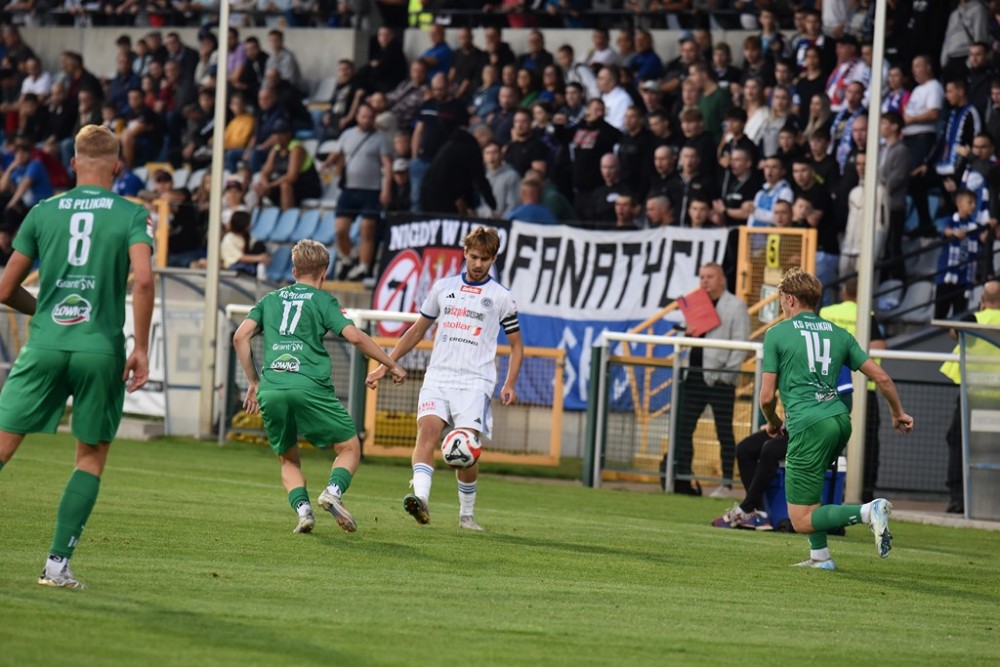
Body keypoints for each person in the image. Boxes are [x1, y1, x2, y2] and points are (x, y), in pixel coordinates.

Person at [0, 125, 155, 589]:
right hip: (99, 349)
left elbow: (5, 289)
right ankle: (56, 565)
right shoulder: (132, 213)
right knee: (89, 455)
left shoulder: (42, 211)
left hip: (45, 344)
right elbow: (144, 280)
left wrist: (45, 310)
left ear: (72, 164)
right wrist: (141, 347)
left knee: (4, 444)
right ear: (117, 167)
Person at [233, 239, 406, 536]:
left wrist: (253, 382)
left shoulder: (269, 300)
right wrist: (390, 364)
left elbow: (240, 337)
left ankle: (303, 512)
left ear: (293, 270)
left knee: (288, 458)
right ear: (325, 272)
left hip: (272, 387)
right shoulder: (324, 301)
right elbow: (356, 337)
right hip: (309, 385)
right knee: (349, 446)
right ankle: (333, 492)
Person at [366, 227, 523, 531]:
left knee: (464, 449)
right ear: (465, 253)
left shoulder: (501, 297)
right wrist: (386, 365)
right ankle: (421, 499)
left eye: (485, 259)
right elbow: (416, 331)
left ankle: (466, 515)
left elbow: (517, 346)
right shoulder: (443, 287)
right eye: (474, 257)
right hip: (438, 376)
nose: (478, 264)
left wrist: (510, 382)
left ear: (494, 259)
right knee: (426, 433)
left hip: (475, 381)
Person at [760, 269, 913, 570]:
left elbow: (766, 398)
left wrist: (773, 423)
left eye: (781, 301)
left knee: (800, 519)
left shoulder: (777, 333)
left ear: (790, 299)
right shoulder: (839, 334)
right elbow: (882, 378)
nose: (781, 307)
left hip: (808, 424)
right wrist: (898, 413)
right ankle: (821, 557)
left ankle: (869, 511)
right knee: (811, 497)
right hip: (839, 419)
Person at [669, 262, 751, 497]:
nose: (704, 281)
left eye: (710, 276)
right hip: (694, 376)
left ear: (722, 279)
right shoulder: (696, 303)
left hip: (720, 381)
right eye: (702, 276)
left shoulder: (736, 306)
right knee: (684, 429)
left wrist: (726, 376)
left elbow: (740, 344)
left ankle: (726, 483)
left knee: (723, 432)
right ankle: (683, 479)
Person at [940, 280, 1000, 514]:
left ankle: (958, 498)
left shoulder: (974, 319)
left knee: (959, 442)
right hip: (997, 394)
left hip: (973, 393)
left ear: (982, 301)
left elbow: (953, 333)